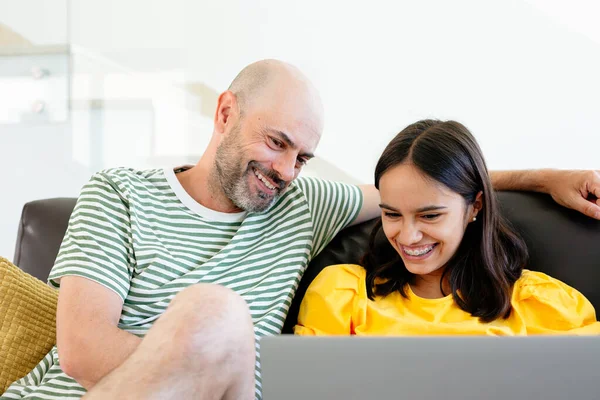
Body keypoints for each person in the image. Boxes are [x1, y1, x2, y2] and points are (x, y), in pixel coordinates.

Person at [2, 60, 599, 400]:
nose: (286, 171)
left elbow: (422, 192)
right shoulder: (120, 193)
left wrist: (546, 177)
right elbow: (82, 352)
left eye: (303, 158)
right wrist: (207, 366)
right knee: (215, 315)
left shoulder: (303, 204)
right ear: (226, 112)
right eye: (276, 142)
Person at [295, 119, 600, 336]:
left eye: (429, 216)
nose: (408, 236)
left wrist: (547, 178)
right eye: (392, 214)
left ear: (475, 206)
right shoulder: (342, 294)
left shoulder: (543, 304)